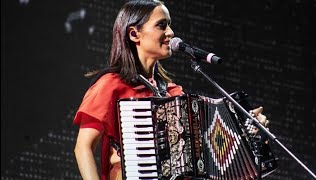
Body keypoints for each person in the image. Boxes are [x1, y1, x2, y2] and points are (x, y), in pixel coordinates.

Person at [73, 0, 269, 180]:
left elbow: (205, 157)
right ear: (134, 34)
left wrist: (248, 134)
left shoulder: (173, 95)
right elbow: (83, 147)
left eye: (169, 24)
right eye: (162, 25)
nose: (171, 32)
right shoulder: (111, 85)